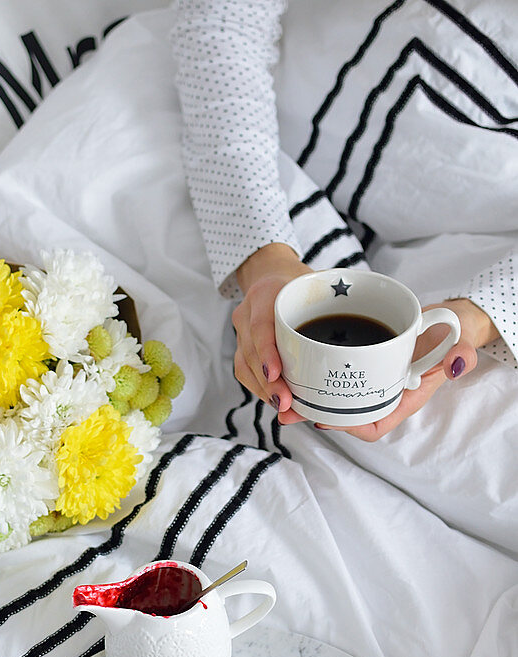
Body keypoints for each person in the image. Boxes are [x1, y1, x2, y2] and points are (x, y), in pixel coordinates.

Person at [170, 0, 514, 441]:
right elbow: (221, 17)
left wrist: (482, 315)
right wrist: (261, 255)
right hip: (259, 138)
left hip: (482, 241)